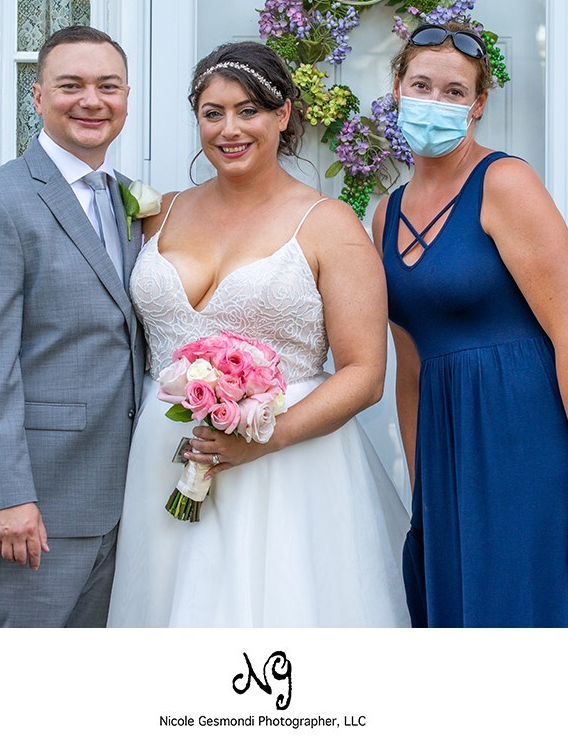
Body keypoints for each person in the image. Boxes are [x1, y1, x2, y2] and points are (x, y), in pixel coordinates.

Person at [108, 41, 409, 627]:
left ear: (284, 115)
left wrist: (264, 439)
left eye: (249, 110)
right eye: (212, 112)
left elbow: (365, 374)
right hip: (165, 453)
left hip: (288, 464)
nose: (229, 129)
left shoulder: (328, 224)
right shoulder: (155, 211)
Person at [372, 22, 568, 627]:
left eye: (454, 92)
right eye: (421, 85)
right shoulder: (384, 214)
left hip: (525, 444)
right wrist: (421, 486)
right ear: (397, 89)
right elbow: (409, 365)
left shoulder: (505, 184)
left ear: (478, 104)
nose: (435, 102)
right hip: (443, 452)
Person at [0, 26, 147, 627]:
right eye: (70, 85)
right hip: (30, 512)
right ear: (37, 97)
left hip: (117, 503)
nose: (91, 100)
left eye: (108, 86)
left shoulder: (128, 199)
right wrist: (5, 497)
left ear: (127, 97)